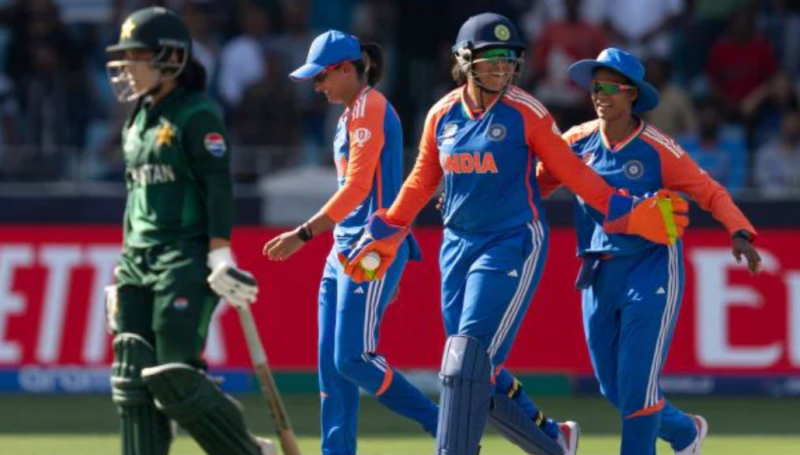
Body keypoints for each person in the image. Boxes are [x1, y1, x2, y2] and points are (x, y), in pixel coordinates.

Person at [342, 13, 688, 455]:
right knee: (474, 367)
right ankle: (554, 439)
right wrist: (386, 229)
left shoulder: (527, 111)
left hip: (512, 241)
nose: (502, 68)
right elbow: (422, 180)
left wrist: (625, 212)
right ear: (465, 61)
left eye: (508, 59)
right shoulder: (442, 115)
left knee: (466, 360)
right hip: (457, 245)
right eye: (491, 58)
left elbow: (573, 172)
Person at [537, 48, 762, 455]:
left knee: (638, 385)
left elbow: (709, 191)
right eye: (596, 87)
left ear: (633, 95)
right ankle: (684, 432)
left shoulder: (658, 148)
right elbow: (536, 185)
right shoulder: (576, 141)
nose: (600, 95)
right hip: (598, 271)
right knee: (613, 387)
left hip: (651, 266)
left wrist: (739, 230)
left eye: (611, 88)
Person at [104, 7, 274, 455]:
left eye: (137, 56)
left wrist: (220, 254)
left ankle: (247, 450)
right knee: (131, 375)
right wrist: (123, 264)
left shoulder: (197, 114)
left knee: (174, 375)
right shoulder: (137, 119)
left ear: (170, 58)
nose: (127, 67)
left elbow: (218, 185)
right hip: (137, 261)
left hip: (183, 256)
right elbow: (135, 199)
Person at [262, 30, 439, 455]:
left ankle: (444, 423)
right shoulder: (347, 116)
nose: (317, 87)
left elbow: (359, 188)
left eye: (321, 77)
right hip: (343, 251)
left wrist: (304, 233)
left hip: (370, 250)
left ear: (345, 68)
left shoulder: (370, 107)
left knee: (351, 359)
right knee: (332, 368)